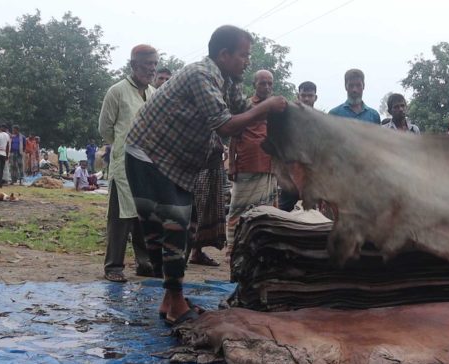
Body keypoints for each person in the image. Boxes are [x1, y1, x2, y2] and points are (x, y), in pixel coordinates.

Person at [124, 25, 287, 325]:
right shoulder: (201, 74)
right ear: (223, 55)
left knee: (185, 228)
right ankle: (174, 303)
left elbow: (243, 109)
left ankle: (170, 298)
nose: (247, 62)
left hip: (177, 163)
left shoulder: (227, 79)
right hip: (148, 154)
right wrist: (266, 106)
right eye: (243, 55)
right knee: (173, 226)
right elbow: (225, 124)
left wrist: (282, 113)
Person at [98, 44, 156, 281]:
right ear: (133, 65)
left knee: (143, 215)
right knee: (120, 217)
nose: (151, 69)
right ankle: (114, 267)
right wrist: (122, 145)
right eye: (147, 64)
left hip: (147, 163)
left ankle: (144, 263)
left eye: (154, 64)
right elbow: (105, 128)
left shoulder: (154, 92)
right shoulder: (117, 91)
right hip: (123, 164)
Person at [226, 69, 279, 253]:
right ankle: (233, 246)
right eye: (262, 83)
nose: (266, 87)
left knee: (267, 210)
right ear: (254, 84)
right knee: (239, 208)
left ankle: (261, 247)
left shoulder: (276, 109)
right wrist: (232, 164)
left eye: (270, 83)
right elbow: (233, 136)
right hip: (247, 163)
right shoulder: (246, 105)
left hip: (270, 165)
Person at [279, 81, 318, 212]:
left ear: (315, 97)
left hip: (312, 175)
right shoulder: (287, 117)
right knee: (284, 211)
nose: (306, 98)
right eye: (303, 95)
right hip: (290, 175)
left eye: (310, 95)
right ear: (298, 96)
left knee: (312, 213)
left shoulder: (320, 120)